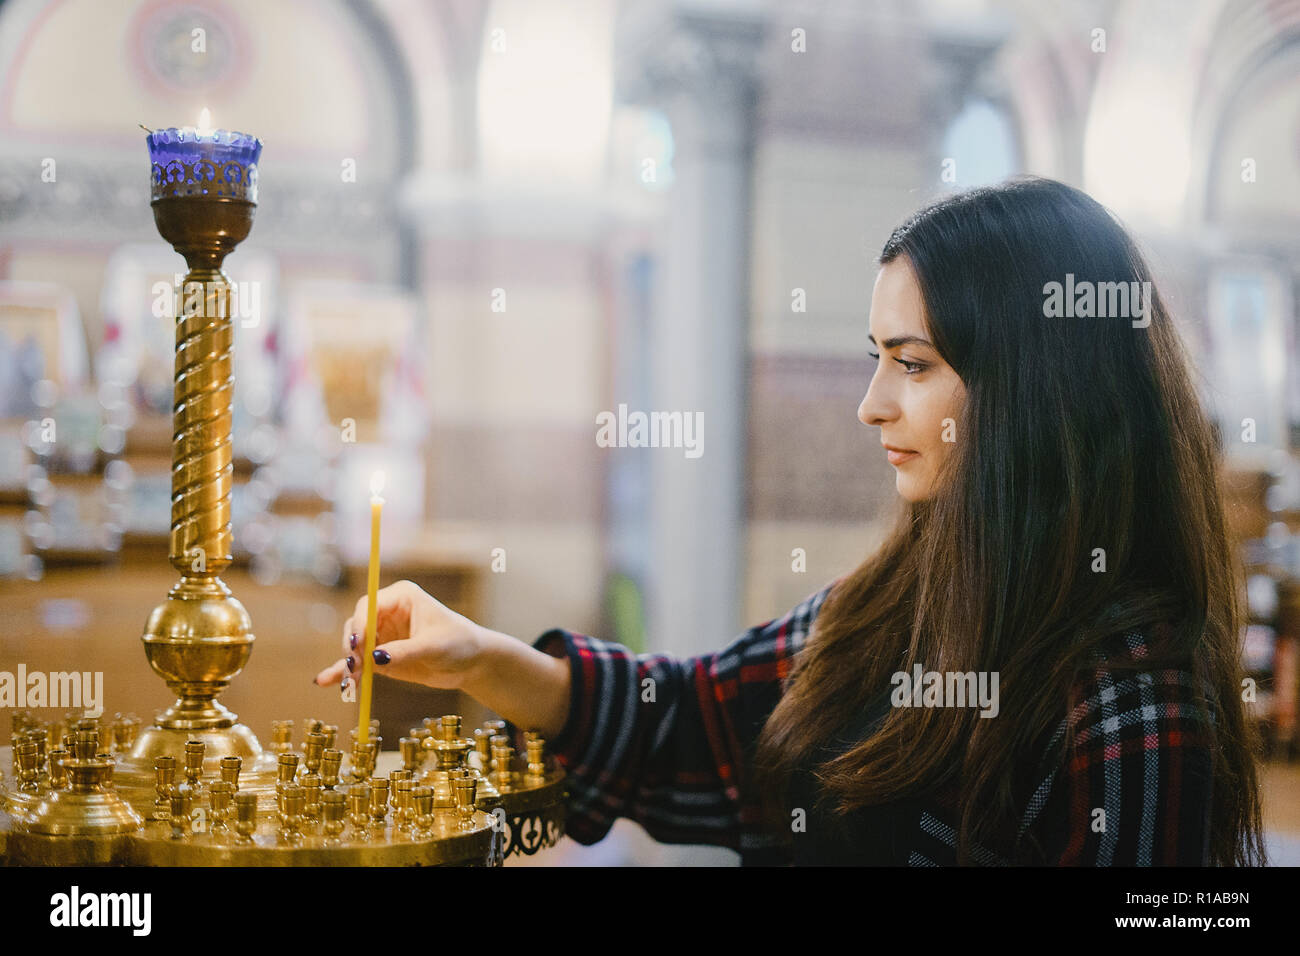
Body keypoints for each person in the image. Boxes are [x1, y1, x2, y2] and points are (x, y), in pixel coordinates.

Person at [315, 177, 1266, 866]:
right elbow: (698, 722)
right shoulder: (902, 597)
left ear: (1034, 390)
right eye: (875, 356)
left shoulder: (1134, 703)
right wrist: (482, 659)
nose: (871, 404)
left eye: (914, 363)